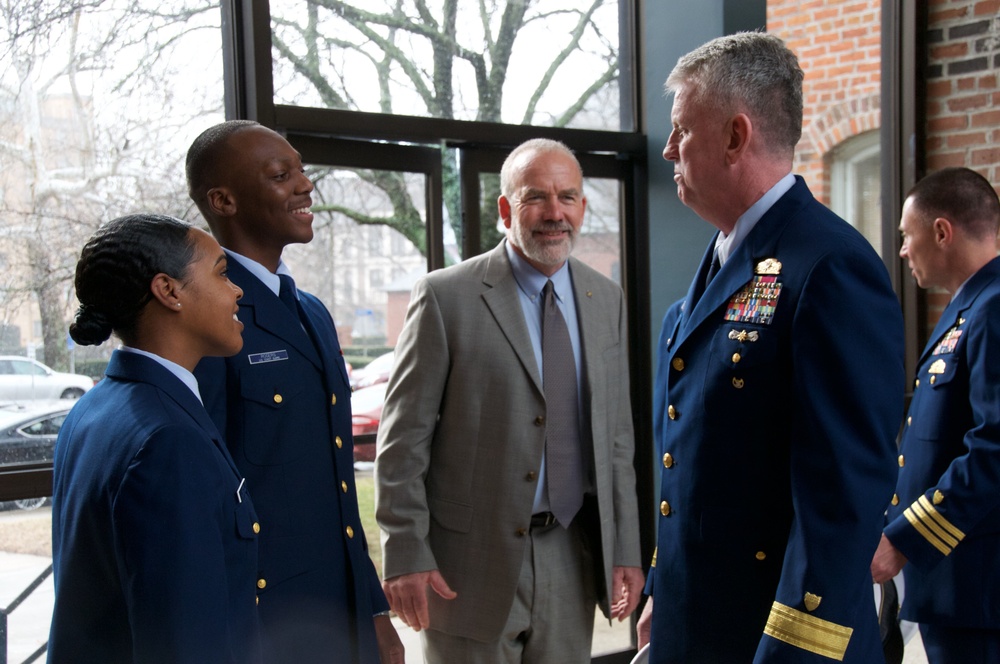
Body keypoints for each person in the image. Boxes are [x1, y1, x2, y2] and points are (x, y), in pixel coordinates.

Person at [637, 32, 905, 663]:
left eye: (681, 130)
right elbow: (695, 462)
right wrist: (663, 587)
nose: (669, 149)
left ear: (735, 136)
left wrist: (792, 650)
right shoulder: (722, 264)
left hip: (776, 639)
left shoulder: (830, 266)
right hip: (699, 623)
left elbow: (840, 493)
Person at [375, 138, 644, 663]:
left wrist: (626, 549)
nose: (554, 213)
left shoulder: (604, 297)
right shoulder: (444, 296)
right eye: (535, 197)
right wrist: (405, 552)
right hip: (466, 565)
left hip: (571, 550)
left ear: (583, 208)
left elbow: (616, 439)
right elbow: (403, 441)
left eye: (568, 198)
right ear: (505, 209)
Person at [186, 120, 402, 664]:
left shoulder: (312, 312)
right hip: (266, 622)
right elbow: (206, 502)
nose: (306, 186)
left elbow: (338, 489)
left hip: (339, 610)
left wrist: (372, 609)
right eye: (283, 175)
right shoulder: (205, 320)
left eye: (303, 171)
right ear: (223, 200)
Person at [48, 213, 260, 663]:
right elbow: (184, 640)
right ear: (169, 291)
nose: (237, 290)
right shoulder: (168, 438)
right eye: (222, 273)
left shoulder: (92, 408)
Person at [871, 167, 1000, 663]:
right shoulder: (966, 310)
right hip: (951, 584)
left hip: (979, 588)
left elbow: (993, 448)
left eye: (907, 235)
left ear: (942, 232)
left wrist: (907, 538)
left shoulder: (992, 309)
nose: (903, 250)